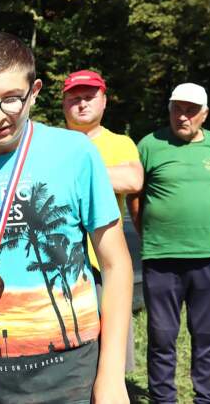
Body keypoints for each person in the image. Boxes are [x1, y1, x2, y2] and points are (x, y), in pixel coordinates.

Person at [0, 32, 133, 403]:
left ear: (34, 92)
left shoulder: (75, 153)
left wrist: (111, 378)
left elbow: (117, 265)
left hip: (73, 376)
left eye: (11, 98)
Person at [127, 83, 210, 404]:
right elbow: (135, 197)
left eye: (191, 110)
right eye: (177, 109)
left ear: (204, 114)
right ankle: (163, 400)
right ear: (169, 109)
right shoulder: (149, 145)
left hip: (209, 257)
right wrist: (151, 234)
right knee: (162, 338)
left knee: (209, 338)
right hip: (161, 258)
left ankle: (207, 399)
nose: (183, 116)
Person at [62, 69, 143, 373]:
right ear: (63, 103)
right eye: (74, 98)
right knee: (66, 357)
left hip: (104, 265)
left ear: (104, 101)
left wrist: (74, 174)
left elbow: (132, 179)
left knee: (110, 356)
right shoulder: (52, 142)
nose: (82, 104)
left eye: (89, 97)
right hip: (57, 267)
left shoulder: (119, 143)